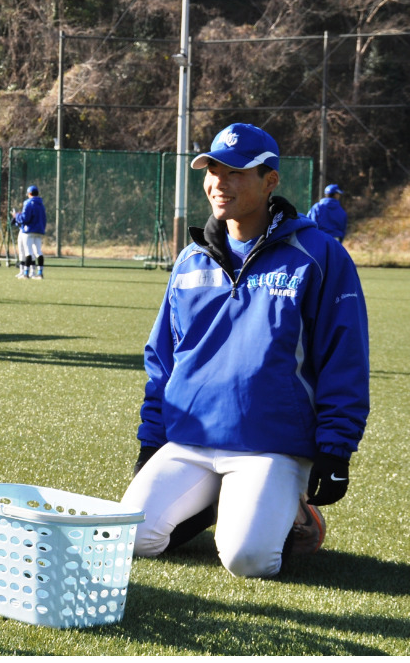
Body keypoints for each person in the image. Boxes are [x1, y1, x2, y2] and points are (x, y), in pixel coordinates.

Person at [121, 123, 369, 578]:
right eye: (213, 169)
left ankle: (295, 515)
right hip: (190, 440)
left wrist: (336, 450)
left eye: (236, 172)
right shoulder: (190, 258)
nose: (220, 182)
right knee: (130, 540)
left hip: (271, 446)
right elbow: (162, 358)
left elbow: (344, 356)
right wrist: (151, 441)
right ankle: (228, 501)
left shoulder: (317, 253)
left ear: (270, 181)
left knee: (248, 560)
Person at [14, 184, 47, 279]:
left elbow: (25, 218)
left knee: (28, 252)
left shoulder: (28, 203)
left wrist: (16, 216)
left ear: (29, 193)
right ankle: (40, 273)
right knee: (38, 252)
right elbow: (44, 219)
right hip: (39, 230)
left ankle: (26, 274)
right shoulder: (41, 204)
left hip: (28, 231)